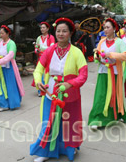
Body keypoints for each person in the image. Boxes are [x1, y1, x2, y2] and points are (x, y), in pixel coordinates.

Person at [30, 18, 88, 162]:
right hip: (51, 93)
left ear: (70, 33)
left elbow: (83, 75)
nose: (61, 34)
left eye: (64, 31)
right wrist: (38, 82)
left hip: (70, 93)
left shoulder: (76, 52)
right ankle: (45, 151)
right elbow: (38, 70)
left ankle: (70, 147)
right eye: (58, 31)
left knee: (70, 122)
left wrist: (70, 84)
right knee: (48, 122)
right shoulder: (49, 50)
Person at [88, 18, 126, 130]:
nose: (105, 30)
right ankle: (96, 118)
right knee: (100, 95)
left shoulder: (119, 42)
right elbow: (98, 55)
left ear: (114, 28)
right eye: (104, 27)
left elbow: (125, 56)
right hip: (103, 72)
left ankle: (118, 115)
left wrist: (110, 54)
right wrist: (97, 56)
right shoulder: (101, 41)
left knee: (114, 95)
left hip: (114, 72)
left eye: (108, 27)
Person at [0, 25, 25, 112]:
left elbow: (10, 55)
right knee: (1, 86)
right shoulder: (0, 43)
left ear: (7, 34)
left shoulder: (11, 43)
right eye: (0, 33)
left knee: (10, 86)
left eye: (2, 33)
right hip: (1, 68)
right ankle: (4, 104)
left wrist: (0, 61)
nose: (1, 35)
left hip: (9, 67)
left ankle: (13, 103)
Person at [33, 22, 55, 96]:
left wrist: (41, 47)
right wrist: (37, 50)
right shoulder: (39, 38)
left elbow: (51, 48)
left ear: (47, 29)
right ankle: (40, 91)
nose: (42, 29)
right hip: (40, 58)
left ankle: (48, 89)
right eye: (41, 28)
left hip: (49, 58)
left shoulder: (51, 37)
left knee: (47, 73)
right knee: (40, 73)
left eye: (43, 27)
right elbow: (36, 47)